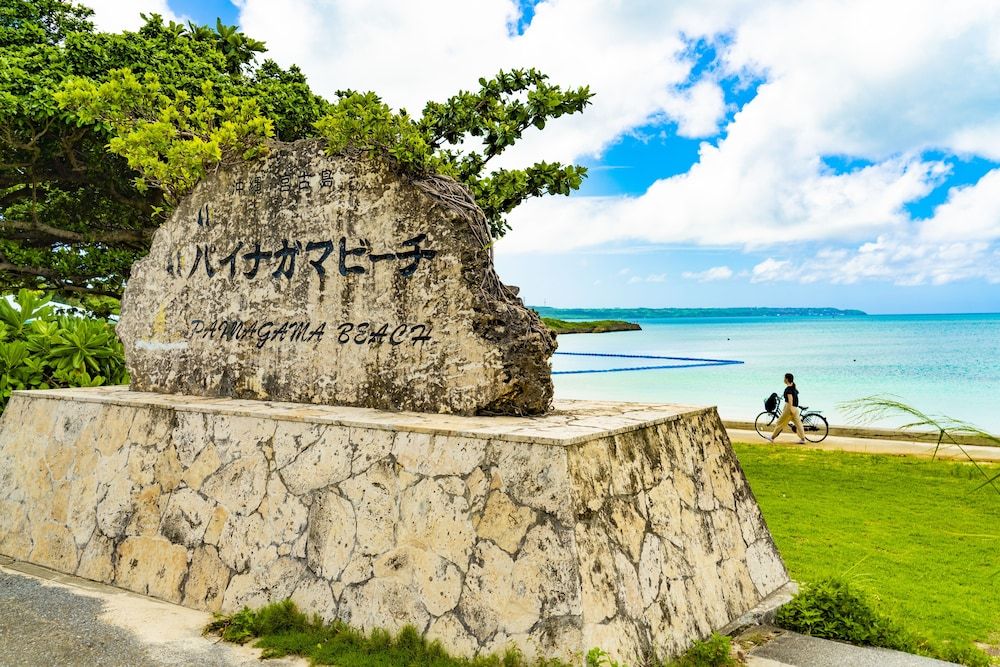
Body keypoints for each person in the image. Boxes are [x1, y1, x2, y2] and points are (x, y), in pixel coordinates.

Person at [765, 372, 805, 443]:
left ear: (787, 379)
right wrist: (793, 408)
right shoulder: (793, 387)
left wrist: (791, 409)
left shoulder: (788, 389)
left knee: (780, 422)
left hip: (789, 408)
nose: (784, 379)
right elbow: (795, 398)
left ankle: (772, 437)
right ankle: (803, 439)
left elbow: (790, 400)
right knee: (798, 423)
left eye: (784, 378)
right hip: (795, 408)